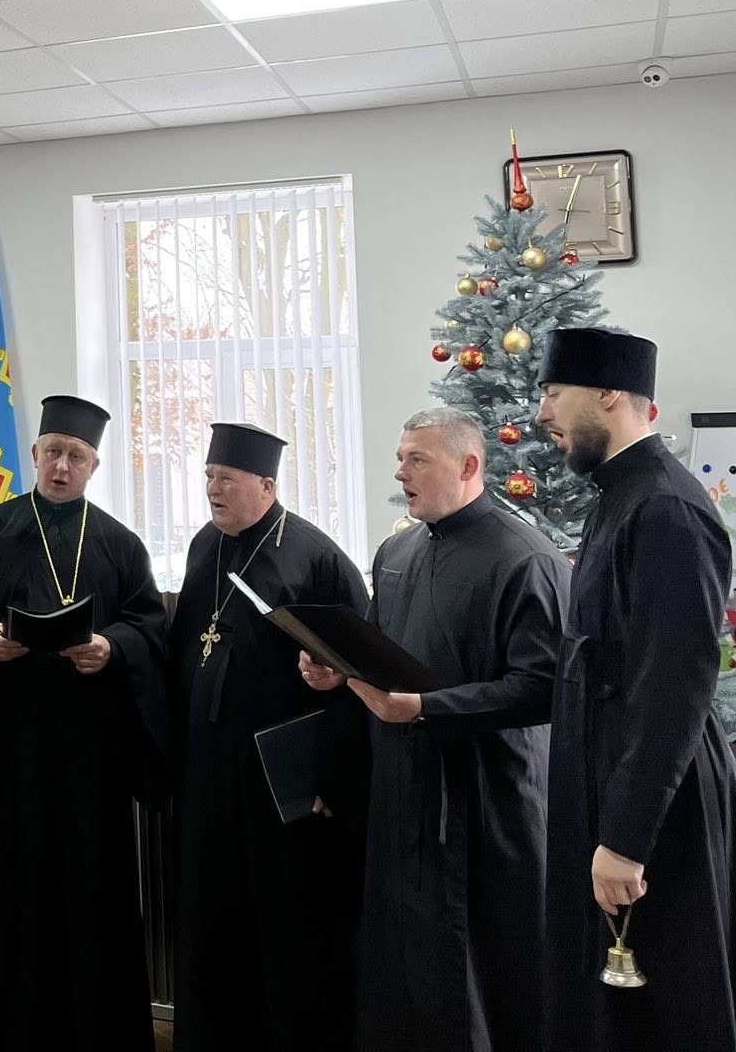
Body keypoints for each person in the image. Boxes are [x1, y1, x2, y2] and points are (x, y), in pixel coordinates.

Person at [535, 327, 736, 1049]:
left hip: (655, 808)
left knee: (667, 1008)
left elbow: (674, 685)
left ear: (609, 393)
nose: (543, 412)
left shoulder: (665, 508)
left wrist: (624, 839)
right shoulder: (621, 495)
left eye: (555, 392)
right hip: (616, 781)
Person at [299, 407, 568, 1052]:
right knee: (400, 967)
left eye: (417, 459)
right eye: (400, 458)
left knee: (483, 974)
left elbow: (545, 688)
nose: (400, 472)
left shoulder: (527, 558)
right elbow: (377, 650)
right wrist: (335, 668)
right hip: (402, 795)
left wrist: (425, 708)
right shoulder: (397, 551)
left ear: (469, 465)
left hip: (488, 801)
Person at [0, 395, 168, 1051]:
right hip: (7, 740)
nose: (63, 466)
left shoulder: (120, 543)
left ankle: (92, 1016)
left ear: (94, 466)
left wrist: (112, 647)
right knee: (7, 872)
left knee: (87, 877)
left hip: (87, 747)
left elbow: (149, 626)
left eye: (78, 456)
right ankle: (2, 1015)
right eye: (55, 453)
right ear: (34, 454)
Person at [169, 421, 368, 1052]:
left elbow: (356, 677)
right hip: (209, 770)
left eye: (226, 479)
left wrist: (330, 777)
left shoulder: (316, 557)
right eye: (208, 476)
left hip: (282, 776)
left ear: (266, 485)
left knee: (284, 917)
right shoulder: (205, 545)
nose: (213, 489)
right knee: (214, 910)